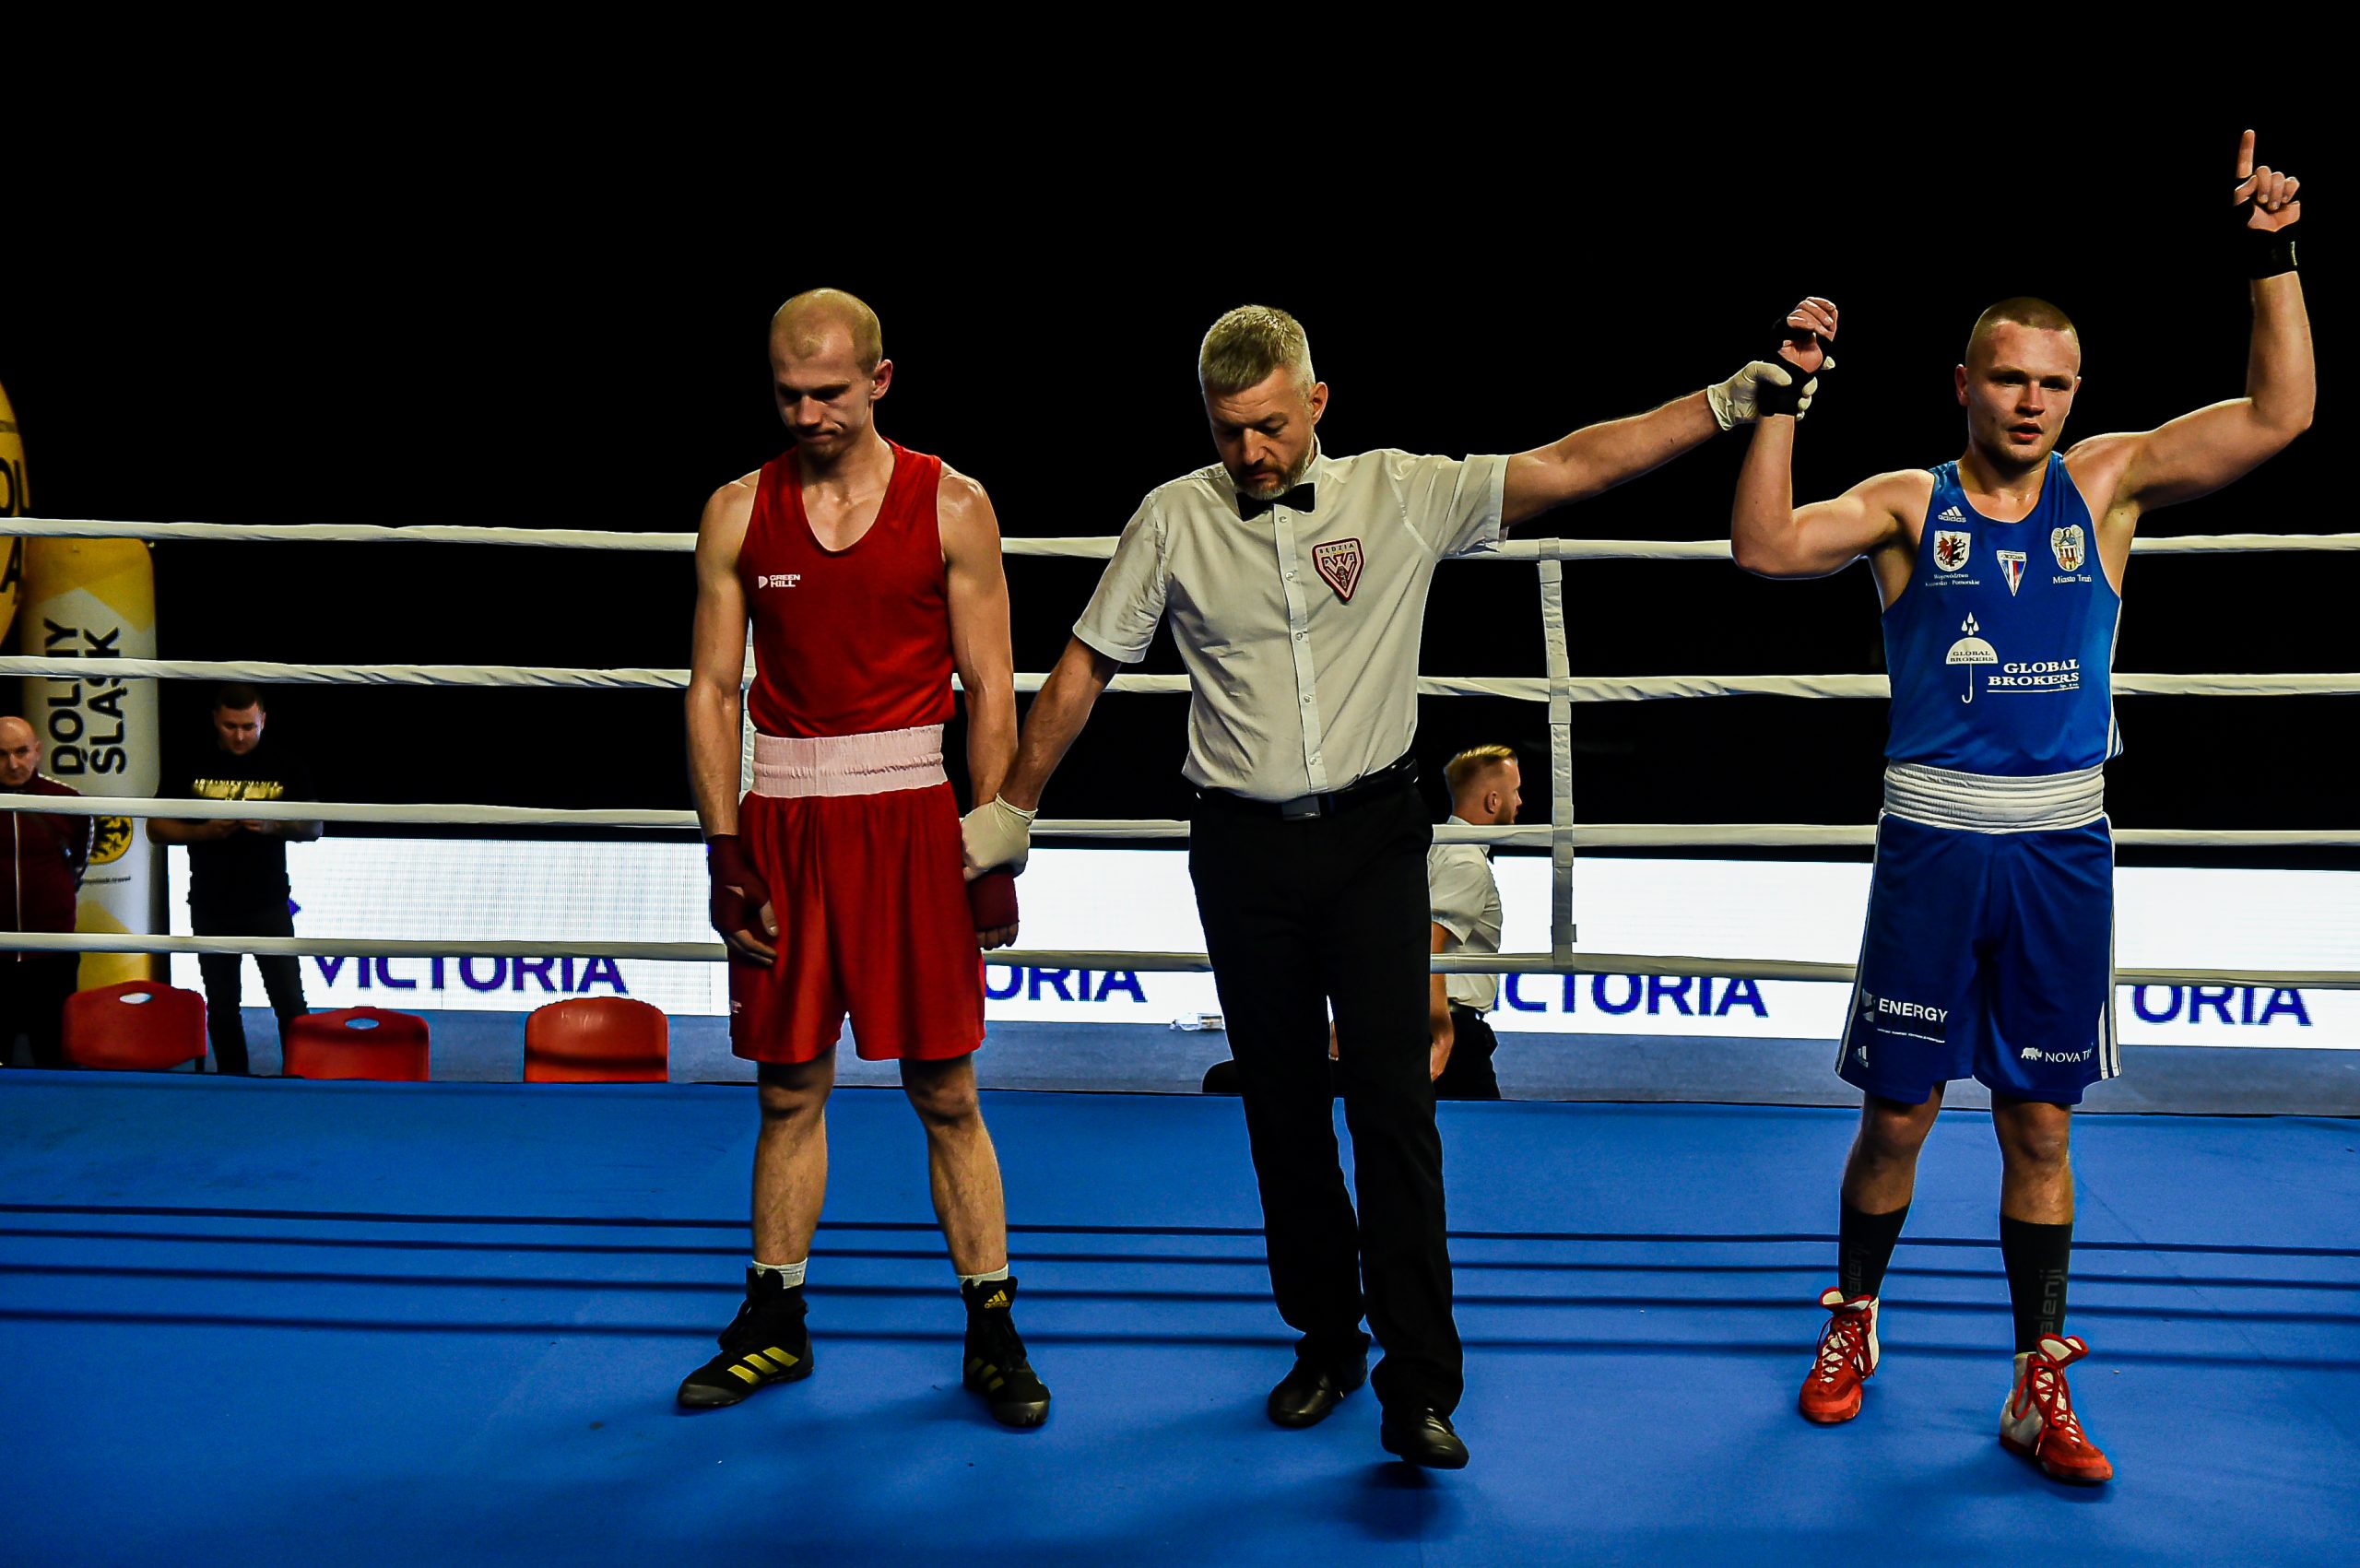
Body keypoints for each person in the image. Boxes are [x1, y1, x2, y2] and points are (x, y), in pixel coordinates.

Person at [964, 301, 1825, 1468]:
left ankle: (1418, 1382)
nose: (1250, 451)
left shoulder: (1399, 492)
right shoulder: (1172, 517)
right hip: (1240, 851)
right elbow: (1084, 667)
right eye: (1227, 430)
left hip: (1375, 844)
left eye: (1270, 426)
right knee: (1281, 1112)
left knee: (1395, 1112)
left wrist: (1725, 405)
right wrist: (1014, 807)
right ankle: (1325, 1340)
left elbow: (1572, 464)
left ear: (1316, 402)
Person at [1729, 133, 2311, 1486]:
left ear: (2076, 392)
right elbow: (1762, 546)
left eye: (2053, 382)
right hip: (1933, 844)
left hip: (2059, 848)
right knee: (1896, 1114)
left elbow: (2279, 416)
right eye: (2009, 377)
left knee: (2040, 1126)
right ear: (1965, 384)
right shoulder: (1903, 503)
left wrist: (2273, 257)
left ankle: (2033, 1385)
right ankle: (1854, 1318)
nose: (2032, 400)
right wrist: (1782, 401)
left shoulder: (2107, 484)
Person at [678, 288, 1047, 1428]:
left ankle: (992, 1325)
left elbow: (989, 686)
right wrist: (723, 849)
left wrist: (992, 844)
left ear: (880, 381)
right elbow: (713, 689)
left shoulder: (954, 505)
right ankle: (773, 1319)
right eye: (788, 395)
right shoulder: (738, 510)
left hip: (910, 822)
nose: (808, 415)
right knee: (787, 1086)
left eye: (830, 393)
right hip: (784, 820)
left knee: (946, 1087)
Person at [150, 685, 319, 1075]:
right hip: (210, 903)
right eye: (231, 726)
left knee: (290, 1001)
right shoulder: (190, 762)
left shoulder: (285, 763)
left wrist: (273, 825)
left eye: (248, 727)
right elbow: (156, 828)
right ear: (216, 720)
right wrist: (203, 832)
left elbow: (313, 827)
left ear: (263, 721)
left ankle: (301, 1082)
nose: (240, 736)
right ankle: (232, 1084)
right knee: (223, 1005)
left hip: (268, 903)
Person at [1427, 745, 1520, 1102]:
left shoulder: (1433, 847)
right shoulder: (1466, 863)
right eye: (1515, 792)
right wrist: (1442, 1032)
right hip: (1447, 1026)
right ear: (1493, 801)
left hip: (1417, 1018)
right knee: (1489, 1129)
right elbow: (1429, 943)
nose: (1520, 802)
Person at [2, 715, 91, 1067]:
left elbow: (79, 864)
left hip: (52, 956)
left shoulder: (68, 801)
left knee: (54, 1058)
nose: (13, 764)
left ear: (37, 751)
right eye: (1, 754)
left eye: (21, 752)